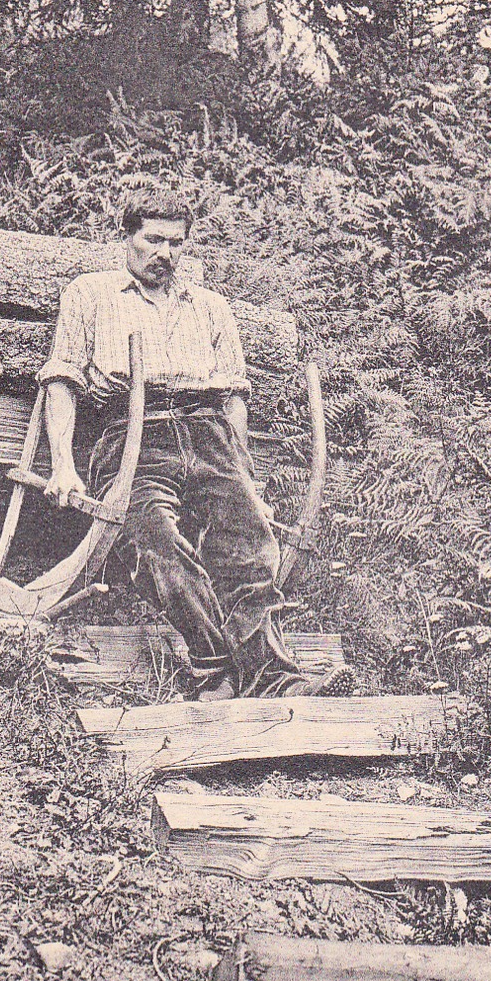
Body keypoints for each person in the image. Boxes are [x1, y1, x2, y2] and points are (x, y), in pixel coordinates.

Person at [37, 187, 355, 700]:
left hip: (209, 434)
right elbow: (61, 381)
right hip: (133, 435)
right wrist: (64, 467)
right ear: (127, 236)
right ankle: (214, 666)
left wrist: (245, 470)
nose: (165, 253)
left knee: (252, 544)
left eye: (177, 243)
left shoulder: (209, 307)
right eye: (153, 239)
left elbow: (232, 397)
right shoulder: (90, 294)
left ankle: (273, 676)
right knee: (153, 542)